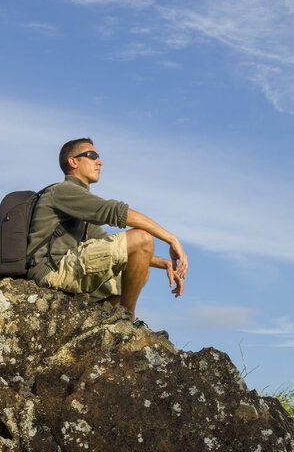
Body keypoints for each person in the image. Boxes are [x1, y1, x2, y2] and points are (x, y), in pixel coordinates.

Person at [26, 138, 188, 330]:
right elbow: (114, 211)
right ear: (73, 162)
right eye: (92, 156)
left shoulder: (79, 207)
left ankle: (99, 322)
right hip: (51, 272)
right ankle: (127, 324)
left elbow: (117, 247)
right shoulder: (63, 191)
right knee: (143, 238)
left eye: (99, 157)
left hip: (65, 270)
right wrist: (171, 239)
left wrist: (166, 264)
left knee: (138, 270)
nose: (99, 161)